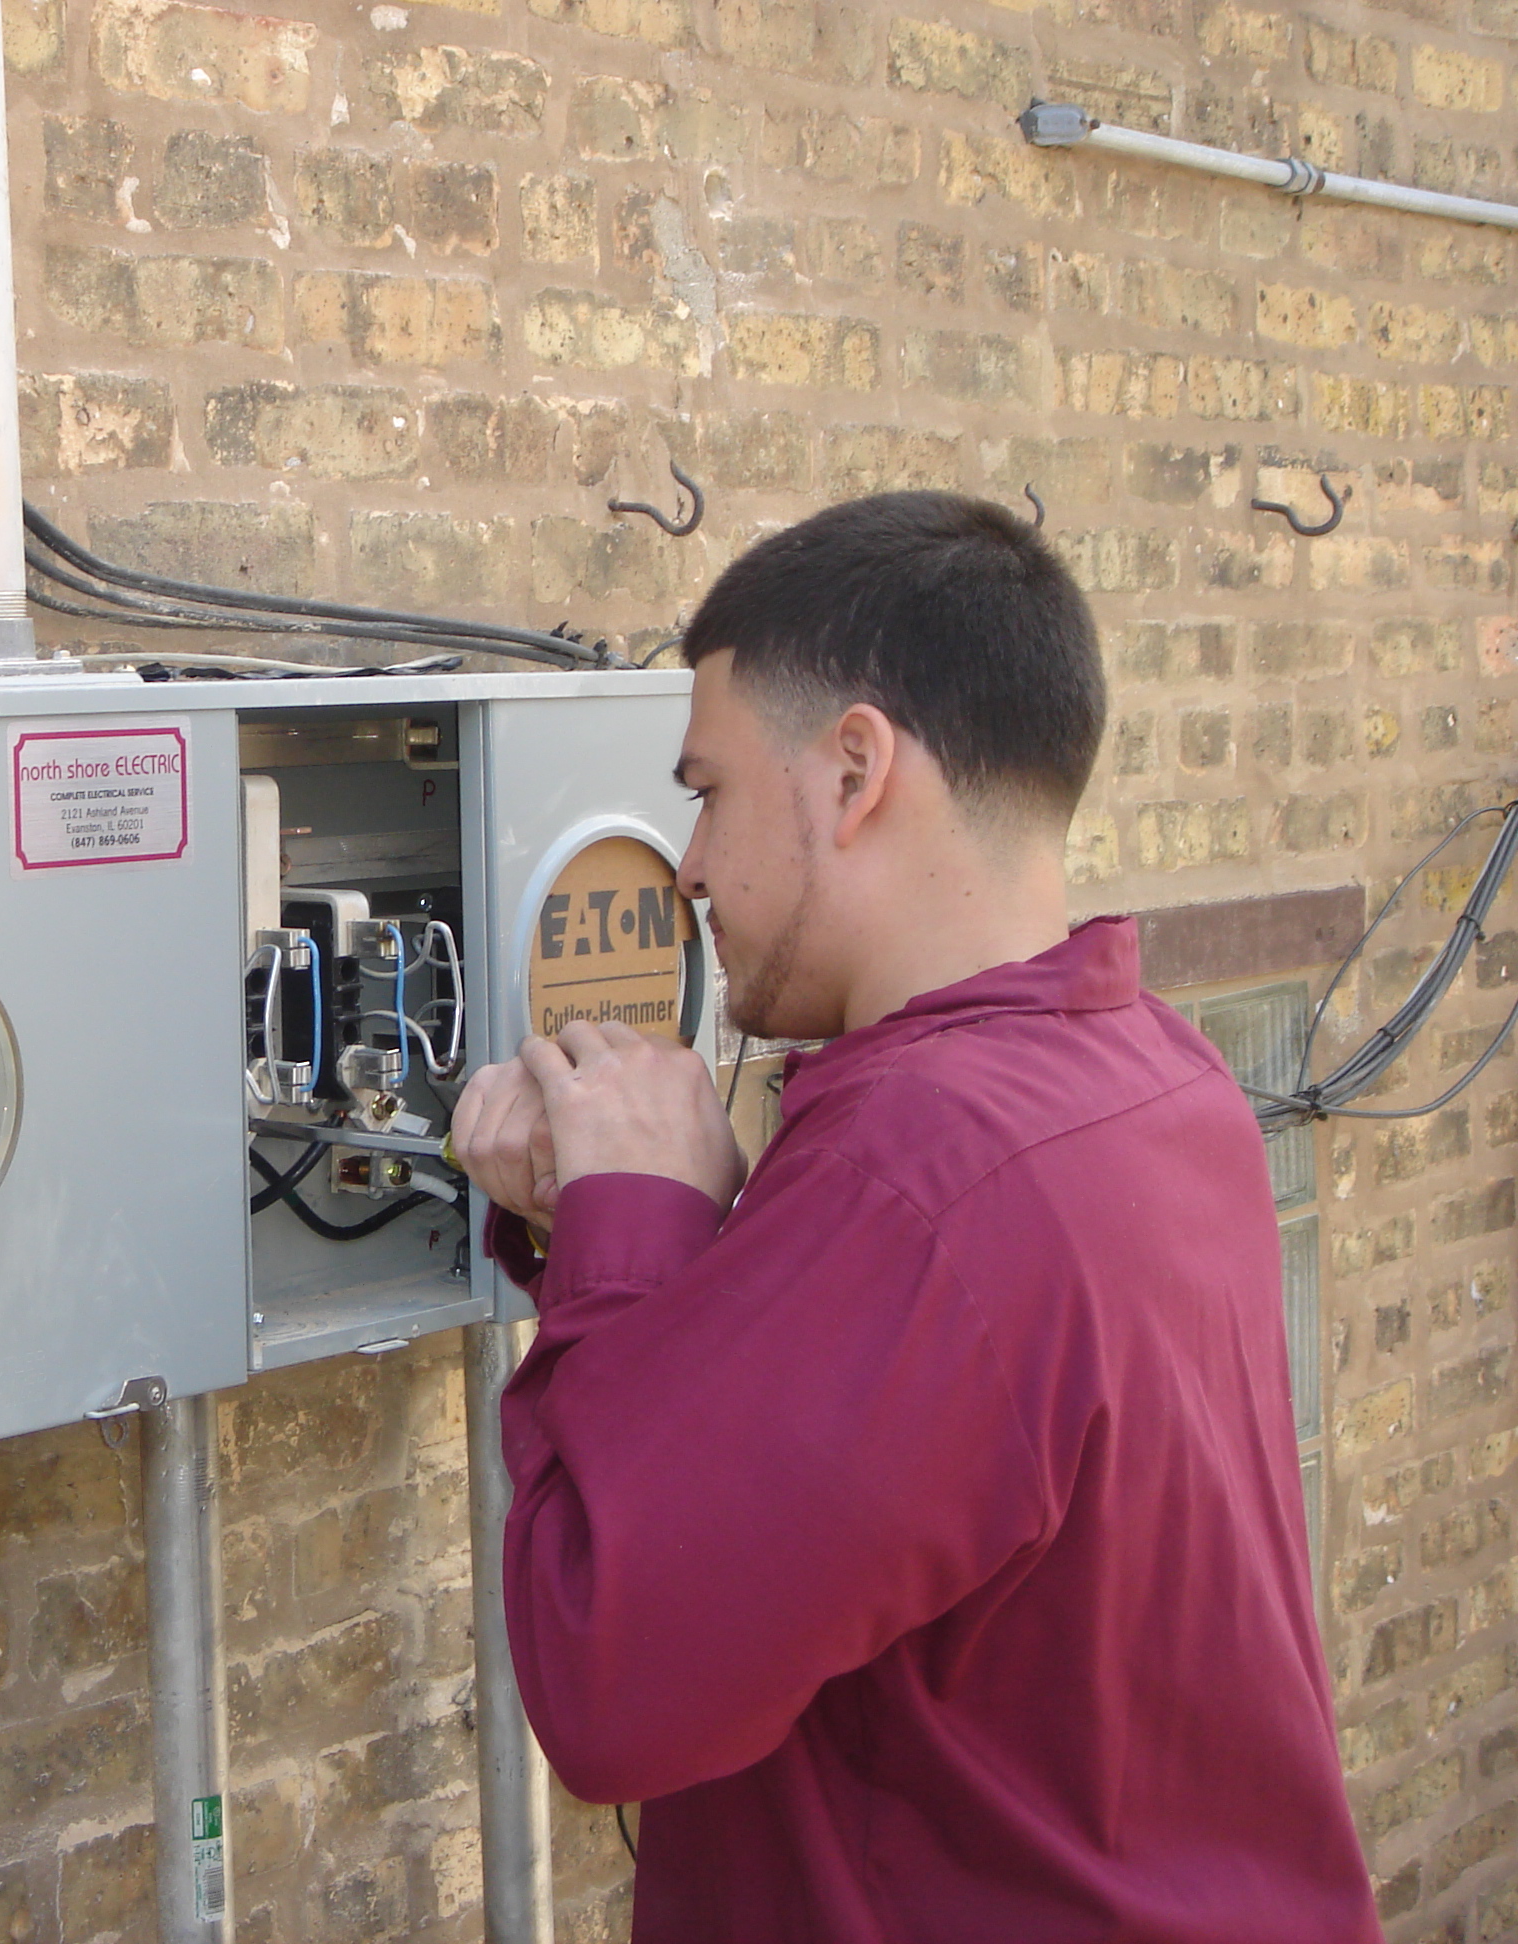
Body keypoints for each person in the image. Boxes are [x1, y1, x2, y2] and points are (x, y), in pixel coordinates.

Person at [454, 491, 1379, 1942]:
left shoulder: (921, 1173)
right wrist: (605, 1225)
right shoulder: (1158, 1077)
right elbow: (881, 1466)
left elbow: (608, 1681)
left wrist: (634, 1225)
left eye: (709, 790)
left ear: (855, 770)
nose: (685, 865)